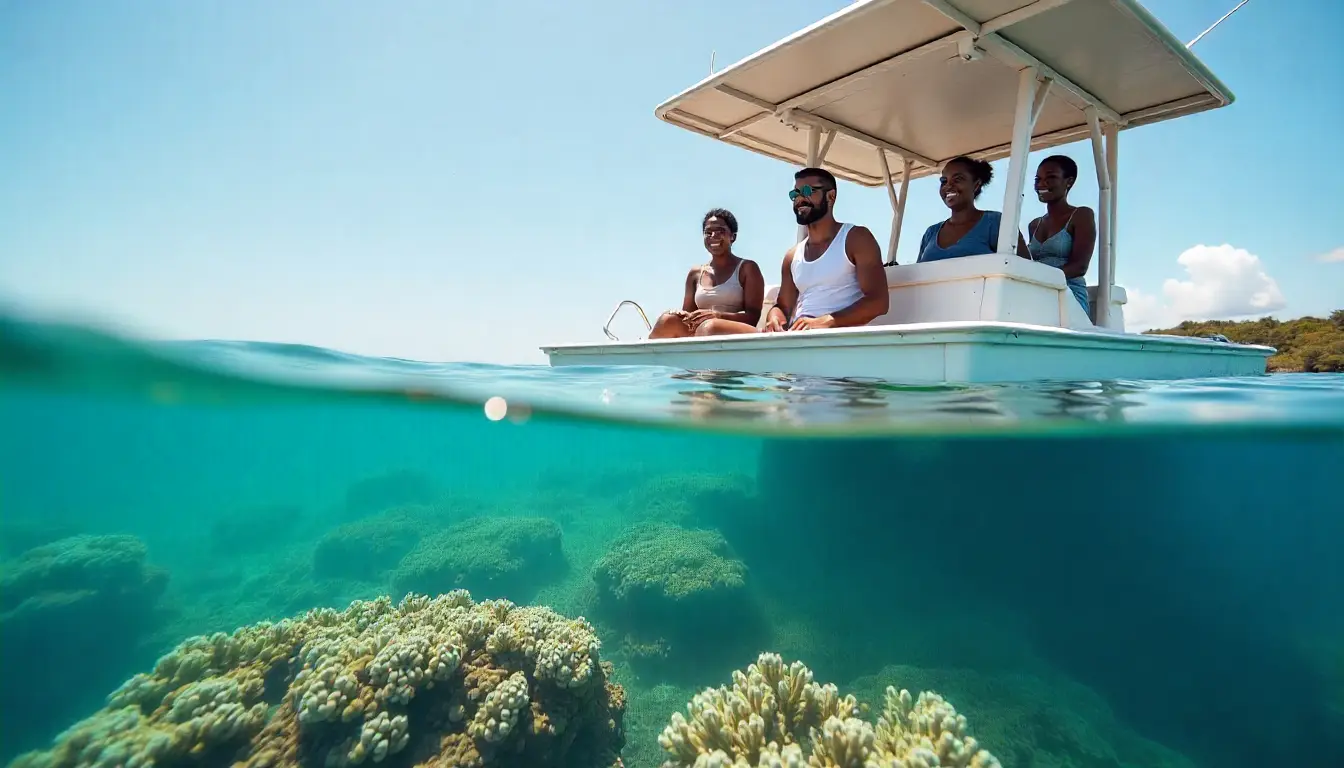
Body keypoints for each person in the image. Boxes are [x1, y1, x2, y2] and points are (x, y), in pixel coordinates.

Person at [694, 167, 888, 335]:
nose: (799, 199)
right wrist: (774, 317)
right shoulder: (792, 255)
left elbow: (878, 302)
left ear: (831, 196)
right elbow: (783, 306)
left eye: (806, 191)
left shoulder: (856, 238)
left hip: (834, 339)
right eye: (795, 194)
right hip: (797, 338)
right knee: (708, 328)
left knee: (709, 329)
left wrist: (827, 321)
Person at [648, 208, 765, 338]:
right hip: (701, 333)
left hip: (735, 335)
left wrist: (717, 316)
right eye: (708, 232)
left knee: (710, 327)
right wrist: (680, 316)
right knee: (667, 320)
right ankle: (646, 357)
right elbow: (689, 318)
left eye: (720, 231)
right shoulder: (695, 273)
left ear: (733, 236)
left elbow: (753, 318)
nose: (713, 236)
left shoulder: (747, 268)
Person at [917, 156, 1029, 263]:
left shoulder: (996, 222)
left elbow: (1024, 269)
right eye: (944, 181)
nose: (948, 186)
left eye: (957, 179)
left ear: (976, 185)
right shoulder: (931, 233)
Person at [1026, 155, 1096, 314]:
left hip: (1068, 293)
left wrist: (1040, 280)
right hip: (1037, 294)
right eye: (1038, 178)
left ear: (1069, 182)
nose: (1041, 183)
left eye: (1051, 177)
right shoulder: (1034, 225)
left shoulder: (1081, 215)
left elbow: (1080, 266)